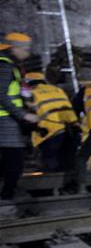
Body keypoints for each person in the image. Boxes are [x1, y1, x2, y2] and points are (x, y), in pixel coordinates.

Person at [0, 32, 39, 200]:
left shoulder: (9, 65)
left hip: (8, 120)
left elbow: (12, 92)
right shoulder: (4, 66)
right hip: (5, 121)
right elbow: (1, 95)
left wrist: (26, 104)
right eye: (26, 50)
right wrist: (24, 115)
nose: (27, 54)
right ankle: (7, 198)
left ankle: (8, 193)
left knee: (9, 161)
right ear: (14, 48)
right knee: (15, 162)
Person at [22, 71, 78, 173]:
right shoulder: (57, 89)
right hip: (69, 128)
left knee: (50, 161)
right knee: (67, 162)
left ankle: (52, 181)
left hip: (48, 130)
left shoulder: (32, 93)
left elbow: (28, 115)